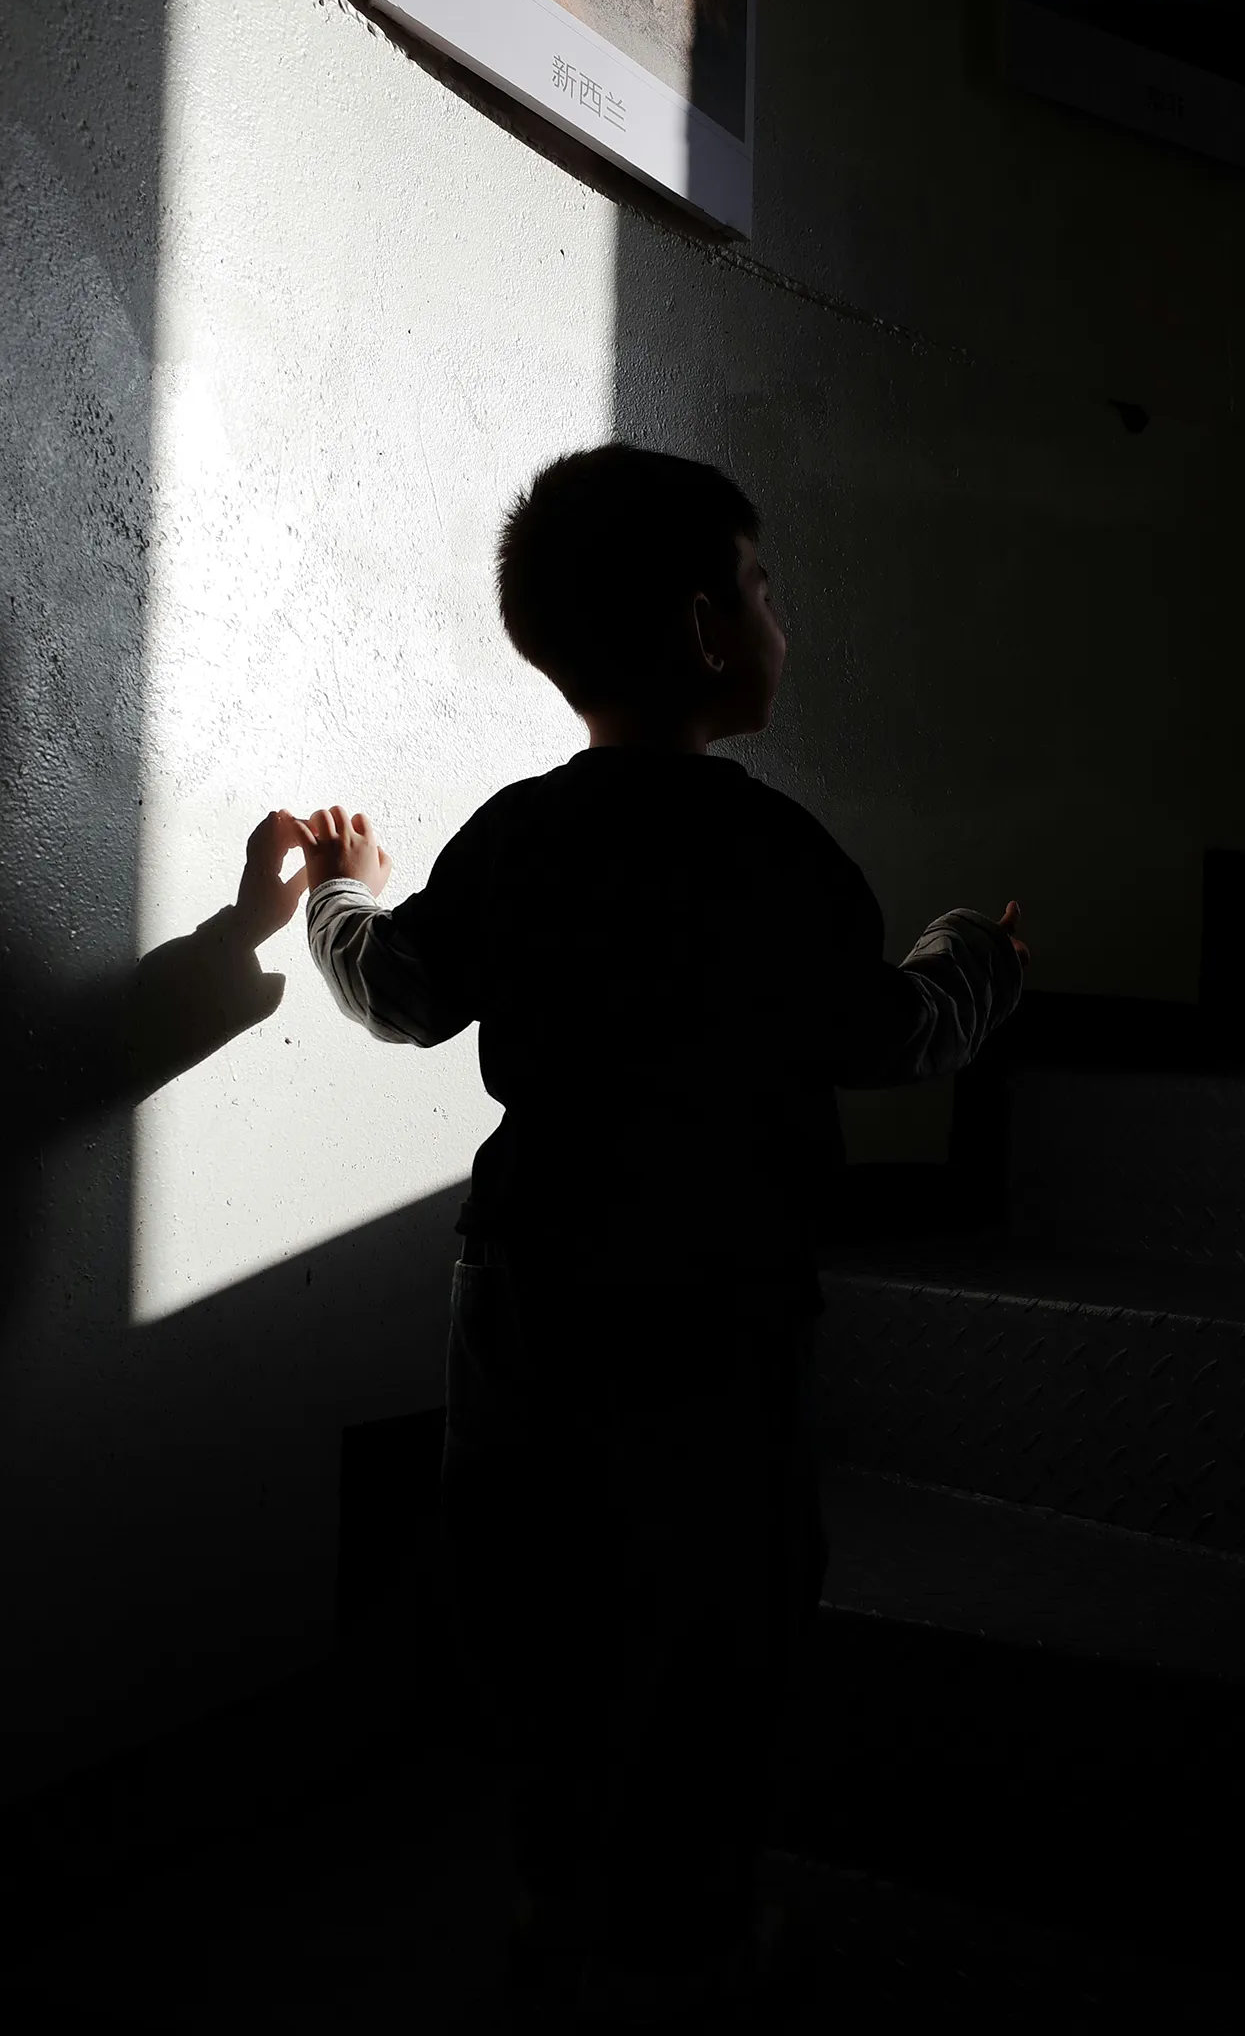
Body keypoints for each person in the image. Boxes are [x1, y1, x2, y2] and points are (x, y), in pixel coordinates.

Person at [289, 444, 1029, 2025]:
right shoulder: (774, 853)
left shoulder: (520, 834)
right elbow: (890, 1033)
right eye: (764, 587)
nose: (778, 615)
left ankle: (555, 1893)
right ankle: (696, 1923)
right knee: (726, 1607)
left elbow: (399, 992)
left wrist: (337, 900)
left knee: (537, 1594)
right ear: (706, 630)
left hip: (530, 1287)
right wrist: (974, 950)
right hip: (722, 1294)